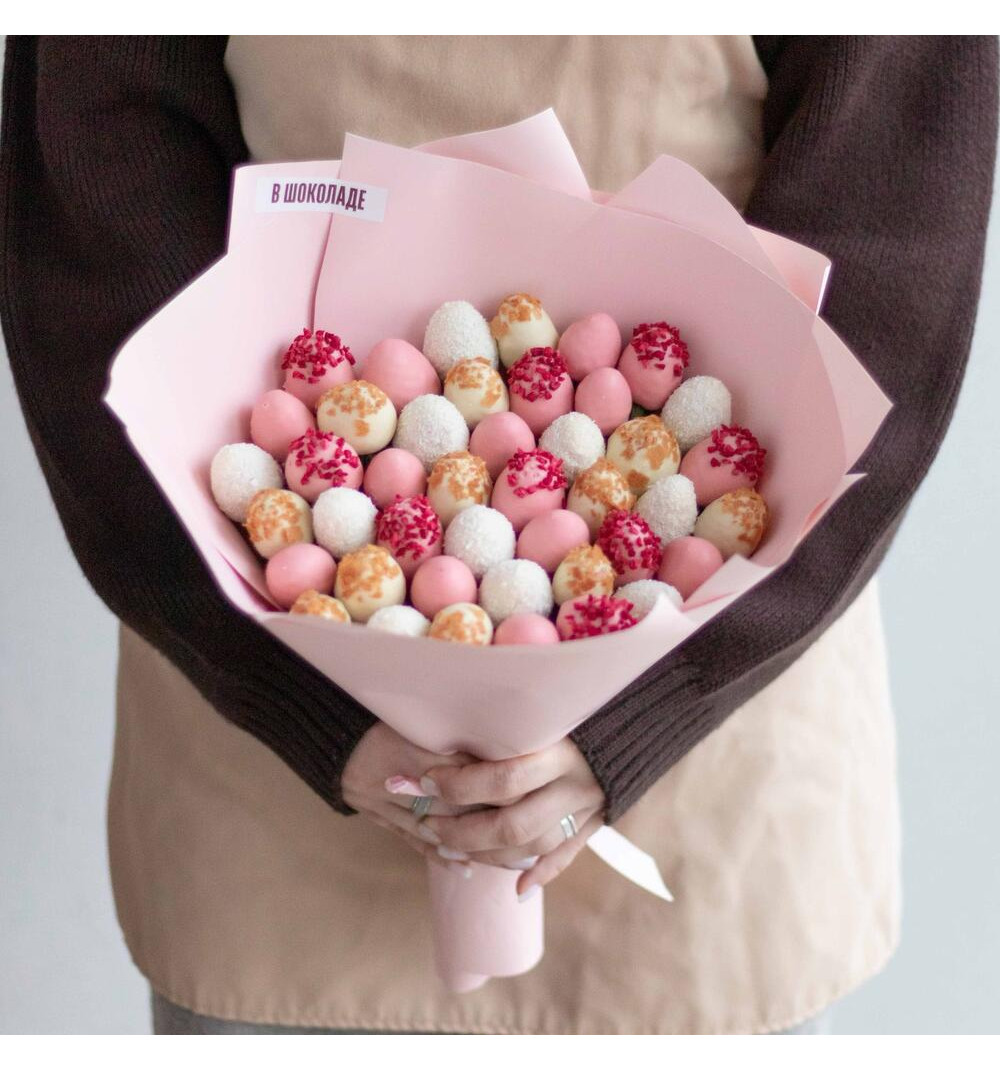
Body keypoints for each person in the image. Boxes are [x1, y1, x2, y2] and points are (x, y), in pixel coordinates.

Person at [0, 36, 996, 1035]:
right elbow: (97, 223)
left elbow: (888, 245)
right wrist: (302, 695)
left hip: (714, 715)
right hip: (264, 707)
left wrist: (644, 706)